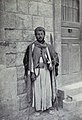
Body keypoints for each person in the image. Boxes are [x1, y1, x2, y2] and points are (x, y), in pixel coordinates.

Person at [23, 27, 59, 116]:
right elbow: (28, 60)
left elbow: (55, 57)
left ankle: (48, 107)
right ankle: (38, 109)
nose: (40, 36)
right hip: (36, 72)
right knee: (38, 90)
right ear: (36, 35)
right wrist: (31, 72)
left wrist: (53, 62)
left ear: (44, 35)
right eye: (38, 34)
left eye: (41, 34)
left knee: (47, 89)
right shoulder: (32, 47)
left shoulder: (48, 47)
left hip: (46, 71)